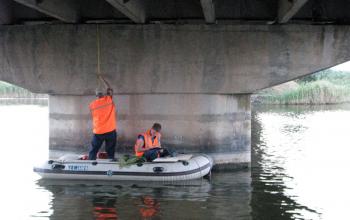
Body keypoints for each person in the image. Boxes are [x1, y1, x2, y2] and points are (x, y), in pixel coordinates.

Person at [88, 87, 117, 160]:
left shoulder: (92, 105)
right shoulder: (109, 100)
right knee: (110, 149)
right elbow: (110, 93)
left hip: (98, 131)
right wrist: (108, 91)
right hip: (110, 130)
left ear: (96, 96)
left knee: (94, 149)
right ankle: (110, 160)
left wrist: (108, 94)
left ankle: (91, 161)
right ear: (104, 95)